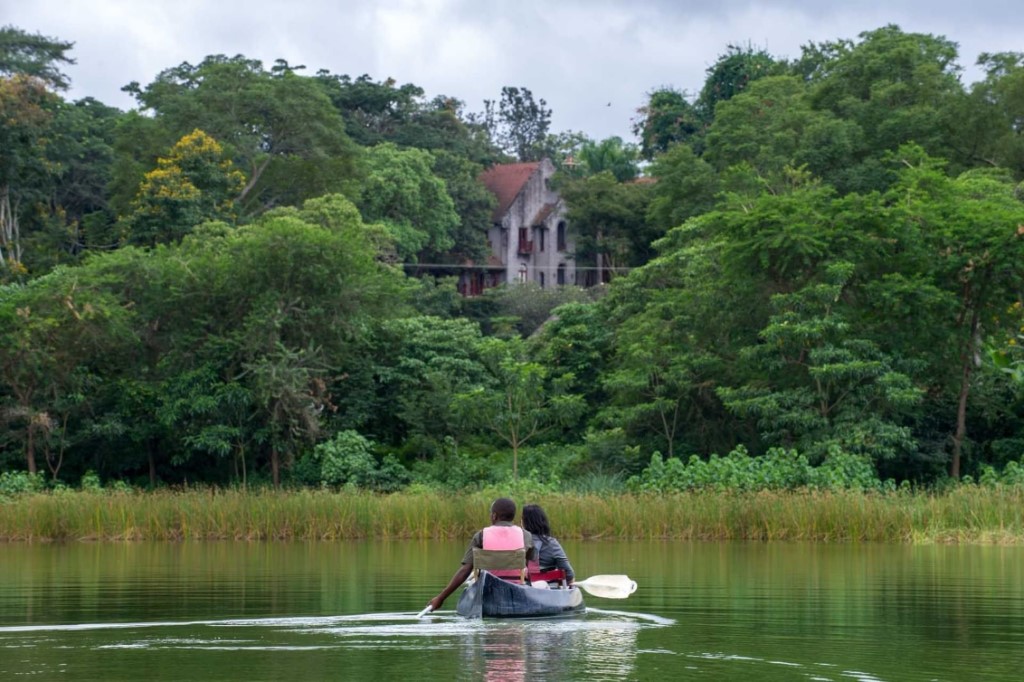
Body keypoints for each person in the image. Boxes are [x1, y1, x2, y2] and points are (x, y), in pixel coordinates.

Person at [426, 497, 534, 612]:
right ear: (512, 517)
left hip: (488, 591)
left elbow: (465, 570)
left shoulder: (481, 535)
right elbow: (531, 567)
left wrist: (441, 598)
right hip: (516, 591)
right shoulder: (526, 535)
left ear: (494, 516)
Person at [521, 504, 575, 587]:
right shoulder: (552, 544)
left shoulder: (516, 542)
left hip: (521, 589)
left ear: (524, 523)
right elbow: (569, 574)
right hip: (548, 591)